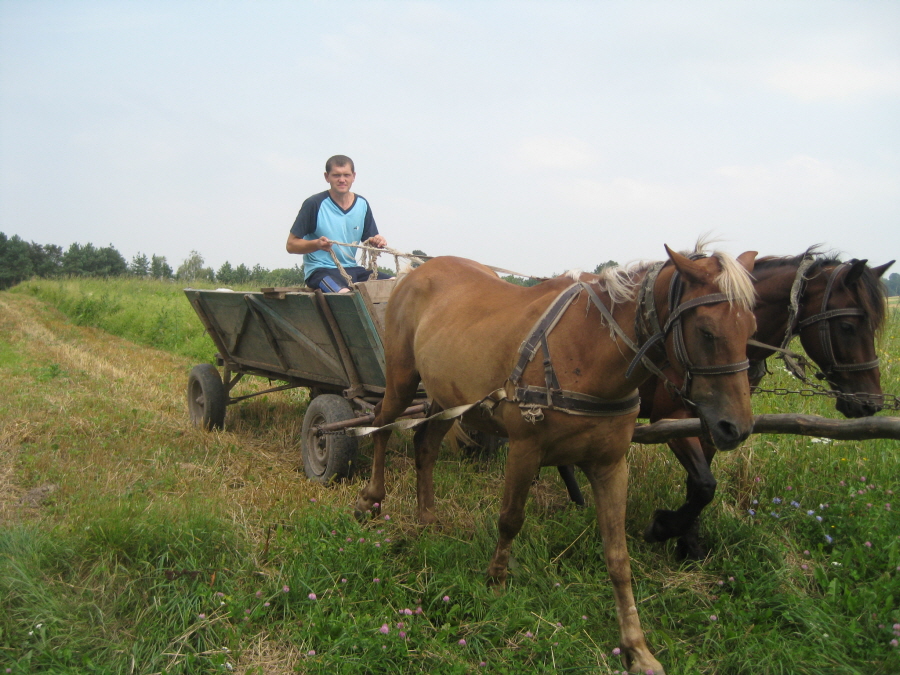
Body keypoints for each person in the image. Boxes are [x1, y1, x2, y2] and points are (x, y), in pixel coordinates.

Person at [286, 155, 391, 293]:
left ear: (353, 176)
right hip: (321, 271)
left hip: (353, 270)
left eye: (346, 175)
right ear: (327, 177)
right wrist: (316, 244)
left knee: (397, 285)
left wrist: (377, 240)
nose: (342, 180)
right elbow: (291, 245)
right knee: (346, 296)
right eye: (336, 175)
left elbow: (370, 238)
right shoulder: (314, 204)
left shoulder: (362, 204)